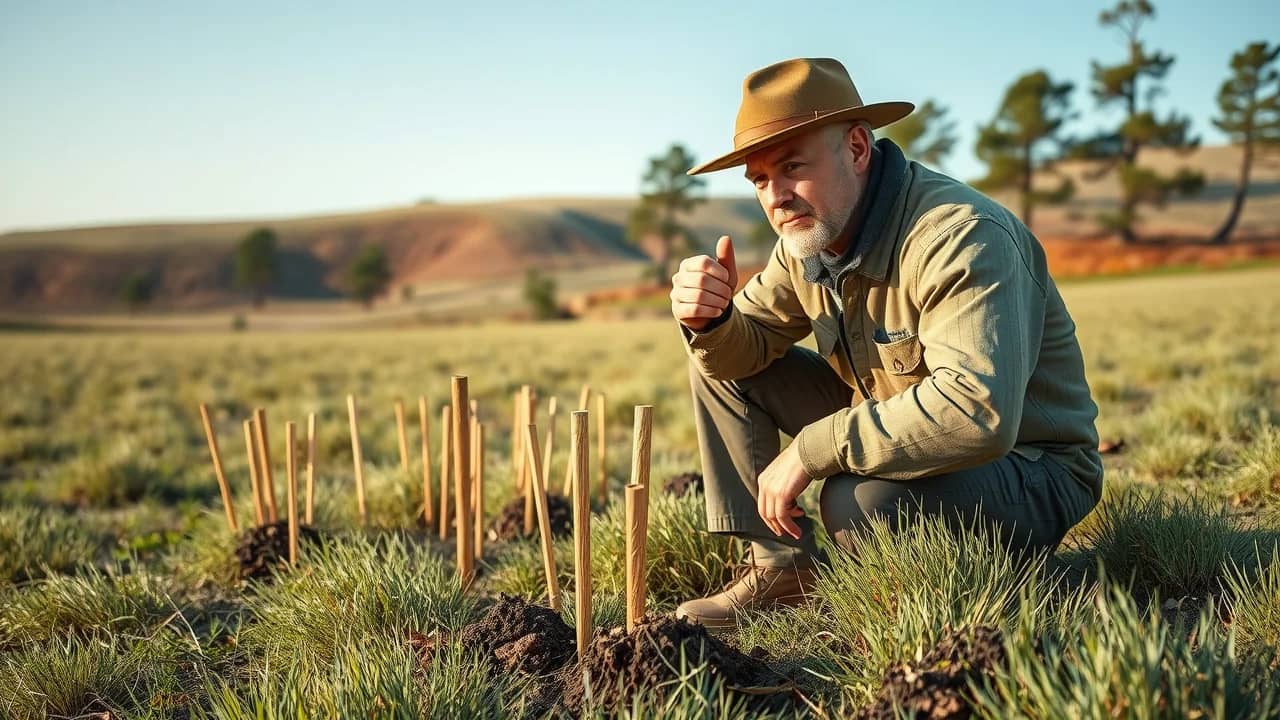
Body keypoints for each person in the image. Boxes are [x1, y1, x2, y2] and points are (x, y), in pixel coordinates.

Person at [669, 57, 1102, 629]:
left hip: (1030, 467)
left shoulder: (960, 236)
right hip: (902, 433)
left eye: (792, 166)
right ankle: (782, 570)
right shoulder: (808, 240)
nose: (775, 196)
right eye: (758, 180)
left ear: (855, 148)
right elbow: (739, 350)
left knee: (858, 502)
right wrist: (710, 320)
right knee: (719, 364)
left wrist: (811, 448)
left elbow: (977, 411)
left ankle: (1022, 583)